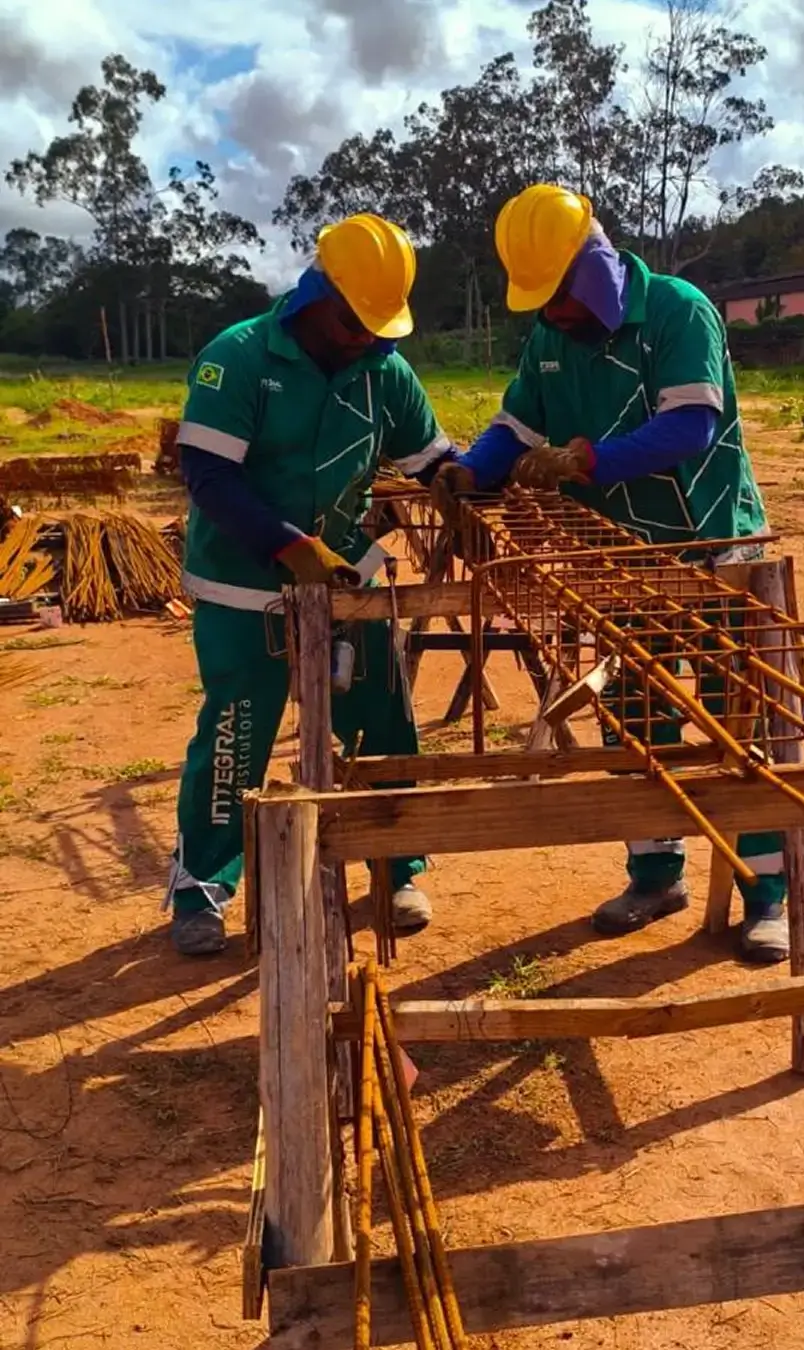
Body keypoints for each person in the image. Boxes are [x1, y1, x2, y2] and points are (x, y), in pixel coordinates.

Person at [431, 184, 789, 963]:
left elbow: (689, 427)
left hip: (714, 546)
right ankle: (655, 872)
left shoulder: (677, 311)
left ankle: (768, 892)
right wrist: (471, 473)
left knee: (740, 717)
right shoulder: (548, 340)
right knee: (634, 712)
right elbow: (514, 427)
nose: (551, 313)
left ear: (591, 273)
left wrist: (585, 462)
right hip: (618, 556)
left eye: (558, 296)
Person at [168, 213, 455, 957]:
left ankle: (398, 862)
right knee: (237, 732)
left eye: (379, 328)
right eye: (355, 323)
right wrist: (287, 545)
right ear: (316, 295)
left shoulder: (384, 371)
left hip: (345, 576)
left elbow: (432, 460)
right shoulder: (237, 358)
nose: (369, 338)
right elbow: (207, 476)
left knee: (381, 715)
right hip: (243, 584)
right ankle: (203, 882)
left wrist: (472, 477)